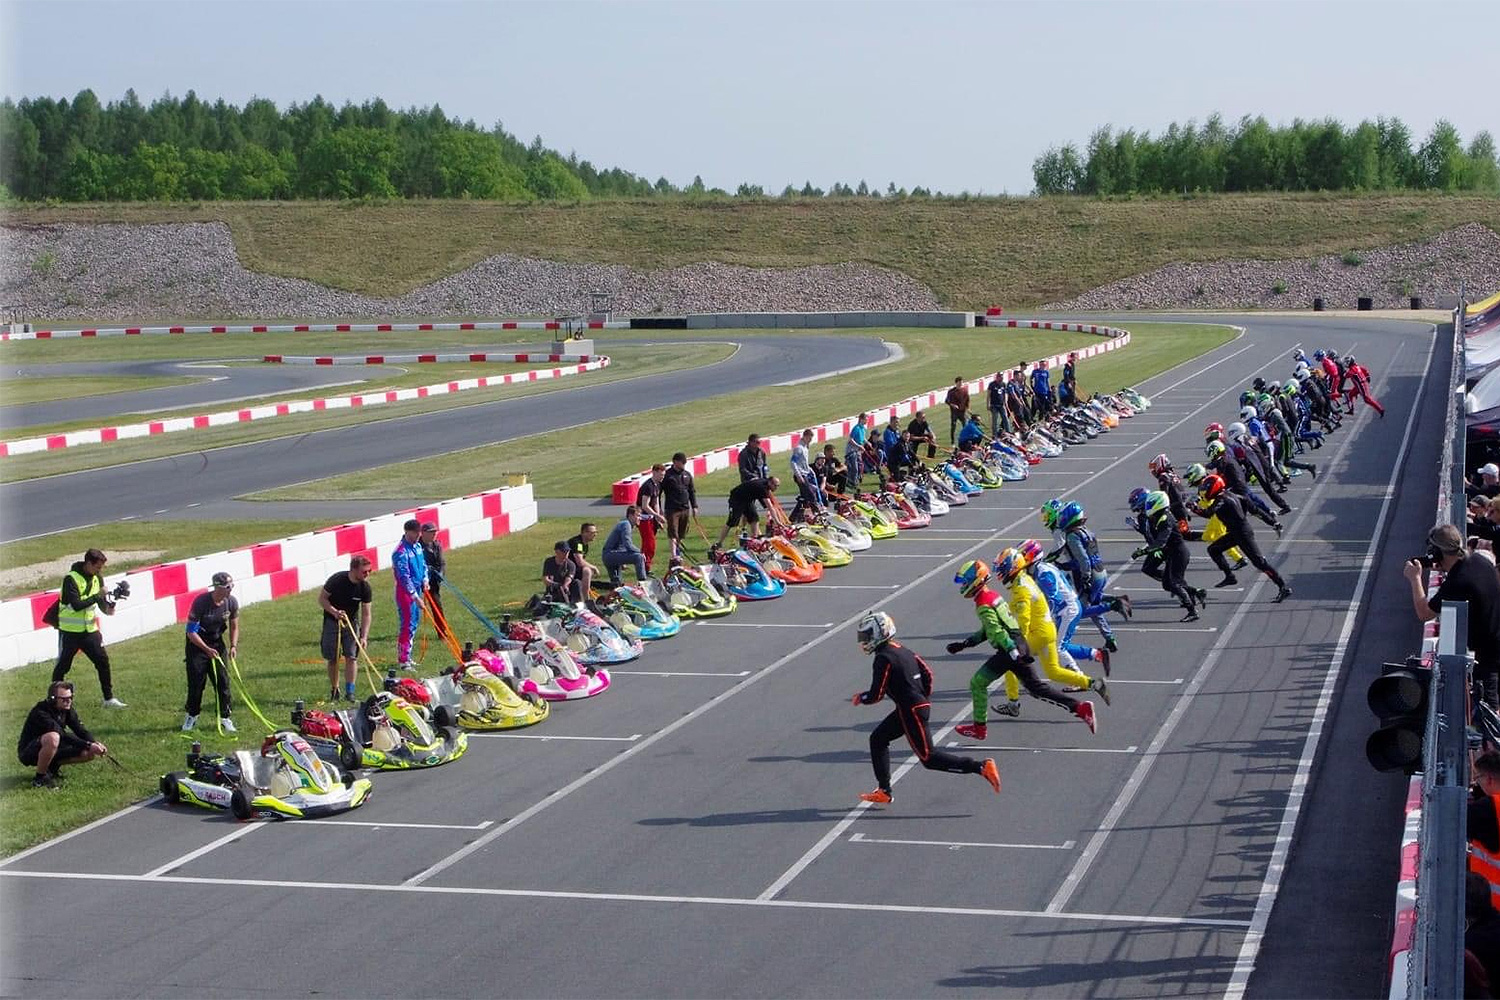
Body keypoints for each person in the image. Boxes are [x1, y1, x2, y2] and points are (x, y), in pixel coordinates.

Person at [851, 611, 1000, 804]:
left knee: (929, 758)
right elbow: (927, 673)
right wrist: (922, 697)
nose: (864, 640)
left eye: (867, 635)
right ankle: (884, 790)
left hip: (910, 710)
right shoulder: (902, 649)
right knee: (878, 739)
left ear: (880, 632)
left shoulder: (883, 658)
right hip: (913, 706)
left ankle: (980, 766)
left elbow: (876, 695)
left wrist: (861, 697)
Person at [946, 560, 1096, 741]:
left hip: (1009, 650)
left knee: (977, 683)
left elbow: (996, 630)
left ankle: (979, 728)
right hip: (1019, 644)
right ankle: (1080, 708)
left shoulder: (983, 605)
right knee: (1036, 688)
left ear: (975, 581)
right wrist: (967, 643)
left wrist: (1010, 650)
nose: (963, 586)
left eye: (964, 582)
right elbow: (993, 628)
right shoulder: (993, 596)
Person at [988, 547, 1109, 718]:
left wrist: (1014, 642)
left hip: (1039, 632)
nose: (1000, 572)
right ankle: (1094, 683)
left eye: (1002, 568)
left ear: (1012, 567)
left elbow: (1023, 620)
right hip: (1048, 629)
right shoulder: (1025, 580)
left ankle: (1013, 704)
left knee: (1010, 661)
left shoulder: (1021, 588)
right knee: (1053, 671)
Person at [1408, 523, 1500, 707]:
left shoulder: (1458, 582)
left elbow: (1424, 613)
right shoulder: (1479, 562)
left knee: (1490, 708)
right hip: (1495, 638)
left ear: (1437, 551)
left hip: (1488, 653)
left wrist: (1415, 578)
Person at [51, 548, 127, 709]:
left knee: (103, 662)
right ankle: (53, 700)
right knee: (62, 667)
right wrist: (98, 596)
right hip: (70, 632)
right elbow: (77, 605)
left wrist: (109, 607)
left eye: (101, 568)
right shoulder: (70, 579)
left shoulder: (97, 578)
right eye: (97, 567)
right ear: (88, 563)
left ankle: (108, 699)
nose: (99, 571)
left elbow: (100, 604)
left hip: (90, 631)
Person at [1198, 474, 1292, 602]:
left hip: (1242, 534)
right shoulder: (1233, 495)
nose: (1204, 491)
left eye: (1206, 488)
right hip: (1237, 533)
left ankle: (1283, 587)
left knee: (1260, 563)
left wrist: (1193, 507)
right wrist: (1273, 522)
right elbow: (1255, 510)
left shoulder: (1222, 499)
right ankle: (1230, 576)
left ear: (1214, 487)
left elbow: (1208, 513)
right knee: (1213, 550)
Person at [17, 681, 106, 789]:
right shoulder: (40, 712)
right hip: (29, 751)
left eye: (70, 697)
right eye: (64, 699)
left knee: (88, 753)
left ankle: (51, 768)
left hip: (53, 747)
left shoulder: (67, 709)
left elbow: (80, 730)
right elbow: (62, 735)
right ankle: (40, 778)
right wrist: (88, 745)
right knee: (53, 737)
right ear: (53, 699)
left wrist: (94, 743)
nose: (68, 701)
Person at [182, 571, 239, 732]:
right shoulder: (201, 602)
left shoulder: (231, 602)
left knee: (223, 682)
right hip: (197, 645)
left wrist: (233, 646)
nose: (231, 589)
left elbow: (234, 626)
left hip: (217, 643)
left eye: (232, 585)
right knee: (196, 683)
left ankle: (225, 717)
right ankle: (192, 715)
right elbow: (191, 631)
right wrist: (206, 649)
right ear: (217, 587)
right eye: (228, 587)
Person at [319, 554, 373, 701]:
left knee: (352, 657)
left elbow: (367, 614)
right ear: (354, 570)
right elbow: (322, 599)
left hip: (351, 622)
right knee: (333, 658)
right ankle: (335, 689)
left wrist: (364, 636)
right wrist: (334, 612)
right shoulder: (337, 580)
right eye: (364, 571)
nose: (367, 574)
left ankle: (350, 691)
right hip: (332, 621)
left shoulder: (365, 587)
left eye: (369, 571)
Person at [391, 519, 428, 670]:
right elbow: (404, 576)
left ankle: (408, 655)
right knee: (407, 625)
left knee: (414, 624)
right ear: (407, 532)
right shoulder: (400, 552)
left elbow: (423, 565)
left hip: (418, 588)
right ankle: (403, 660)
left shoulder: (418, 546)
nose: (419, 535)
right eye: (416, 533)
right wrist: (415, 597)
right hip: (406, 593)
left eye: (420, 533)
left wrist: (425, 579)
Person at [716, 475, 780, 548]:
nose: (776, 488)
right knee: (732, 522)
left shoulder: (765, 484)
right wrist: (778, 522)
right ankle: (719, 543)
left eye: (778, 486)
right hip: (737, 499)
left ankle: (755, 539)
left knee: (754, 518)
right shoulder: (763, 488)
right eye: (776, 486)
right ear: (770, 483)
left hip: (748, 500)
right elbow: (770, 507)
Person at [662, 452, 699, 560]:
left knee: (682, 532)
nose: (683, 465)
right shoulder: (668, 475)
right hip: (672, 509)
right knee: (673, 531)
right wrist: (659, 509)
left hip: (685, 508)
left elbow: (691, 491)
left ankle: (678, 550)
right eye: (682, 463)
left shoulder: (687, 474)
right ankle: (674, 555)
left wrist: (694, 506)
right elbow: (659, 492)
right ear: (675, 462)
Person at [602, 506, 648, 585]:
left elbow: (621, 545)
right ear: (630, 516)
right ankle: (643, 584)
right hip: (611, 554)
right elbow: (628, 545)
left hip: (608, 555)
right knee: (638, 557)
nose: (640, 518)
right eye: (638, 515)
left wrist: (622, 561)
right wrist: (640, 552)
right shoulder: (626, 525)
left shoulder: (624, 523)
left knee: (617, 585)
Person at [635, 464, 666, 572]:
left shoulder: (657, 485)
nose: (662, 477)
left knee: (647, 544)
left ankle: (643, 566)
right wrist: (657, 516)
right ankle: (646, 566)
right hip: (644, 518)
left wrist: (658, 517)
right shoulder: (648, 486)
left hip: (652, 518)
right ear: (654, 472)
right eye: (661, 475)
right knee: (650, 544)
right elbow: (645, 505)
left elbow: (656, 501)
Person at [790, 428, 826, 508]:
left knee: (805, 497)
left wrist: (810, 470)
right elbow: (793, 462)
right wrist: (798, 475)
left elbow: (804, 462)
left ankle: (795, 517)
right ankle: (817, 510)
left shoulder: (805, 447)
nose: (810, 440)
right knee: (811, 494)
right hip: (800, 475)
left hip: (806, 473)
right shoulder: (799, 448)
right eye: (809, 438)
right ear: (805, 437)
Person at [568, 522, 601, 600]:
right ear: (584, 533)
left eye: (596, 532)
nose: (595, 534)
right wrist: (594, 568)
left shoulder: (584, 544)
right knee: (587, 570)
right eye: (592, 532)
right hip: (567, 570)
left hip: (574, 568)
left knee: (587, 570)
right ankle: (586, 599)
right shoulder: (578, 543)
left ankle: (584, 592)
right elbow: (580, 562)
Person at [419, 522, 446, 615]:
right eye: (431, 532)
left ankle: (442, 629)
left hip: (433, 580)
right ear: (423, 533)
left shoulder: (436, 545)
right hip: (419, 580)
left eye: (435, 532)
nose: (434, 534)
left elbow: (442, 562)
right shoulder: (417, 545)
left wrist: (441, 573)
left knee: (437, 606)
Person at [845, 413, 869, 491]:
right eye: (866, 419)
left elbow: (862, 438)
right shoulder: (856, 428)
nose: (867, 421)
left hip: (858, 451)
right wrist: (859, 446)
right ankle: (851, 482)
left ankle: (856, 481)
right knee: (854, 467)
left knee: (859, 466)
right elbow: (851, 439)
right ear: (861, 419)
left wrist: (867, 442)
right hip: (852, 450)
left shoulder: (863, 429)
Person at [944, 377, 970, 443]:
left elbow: (967, 400)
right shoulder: (951, 392)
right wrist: (952, 405)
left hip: (962, 411)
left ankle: (966, 438)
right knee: (953, 426)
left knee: (965, 425)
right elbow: (946, 401)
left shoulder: (964, 390)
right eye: (959, 382)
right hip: (954, 412)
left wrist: (967, 408)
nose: (961, 383)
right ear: (956, 383)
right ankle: (952, 440)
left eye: (962, 382)